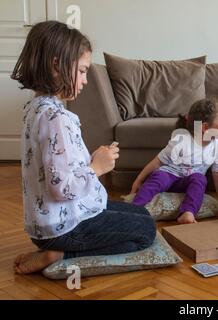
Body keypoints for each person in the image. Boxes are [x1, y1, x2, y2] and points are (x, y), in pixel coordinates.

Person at [11, 21, 156, 274]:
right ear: (57, 66)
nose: (85, 80)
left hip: (47, 224)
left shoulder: (35, 110)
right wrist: (96, 168)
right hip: (64, 227)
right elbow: (61, 188)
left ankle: (53, 247)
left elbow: (54, 170)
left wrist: (92, 159)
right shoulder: (57, 118)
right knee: (146, 231)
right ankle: (60, 254)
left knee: (140, 213)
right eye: (82, 71)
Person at [131, 99, 218, 224]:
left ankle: (187, 213)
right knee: (160, 176)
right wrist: (139, 180)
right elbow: (157, 162)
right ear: (205, 127)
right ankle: (134, 209)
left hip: (188, 181)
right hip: (170, 176)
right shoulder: (181, 141)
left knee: (200, 179)